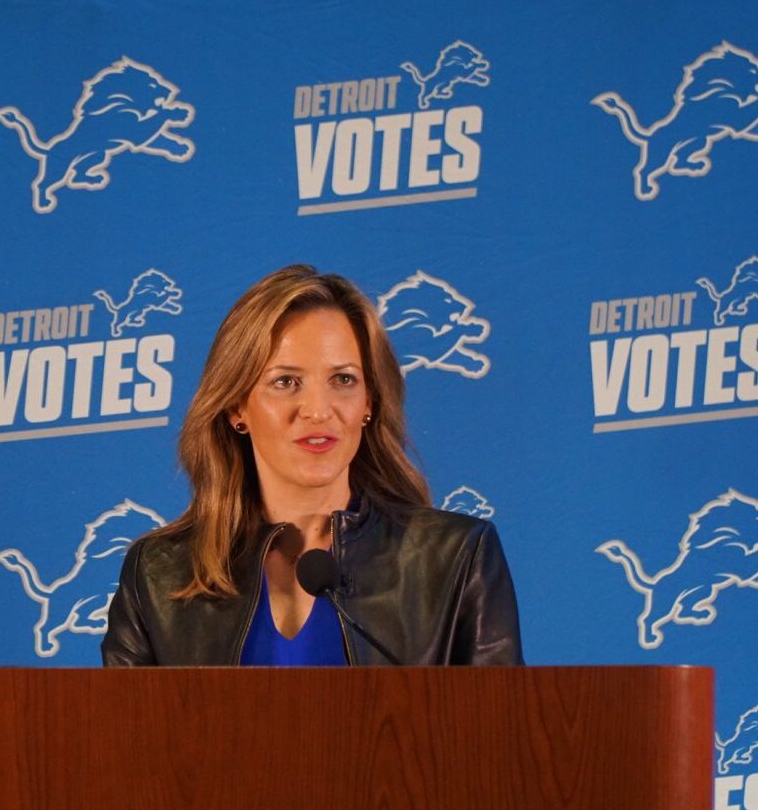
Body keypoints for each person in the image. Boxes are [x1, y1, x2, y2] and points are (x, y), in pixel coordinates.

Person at [101, 264, 522, 667]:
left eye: (343, 380)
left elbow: (496, 717)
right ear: (236, 407)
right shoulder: (157, 573)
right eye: (286, 382)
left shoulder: (455, 557)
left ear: (369, 402)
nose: (318, 410)